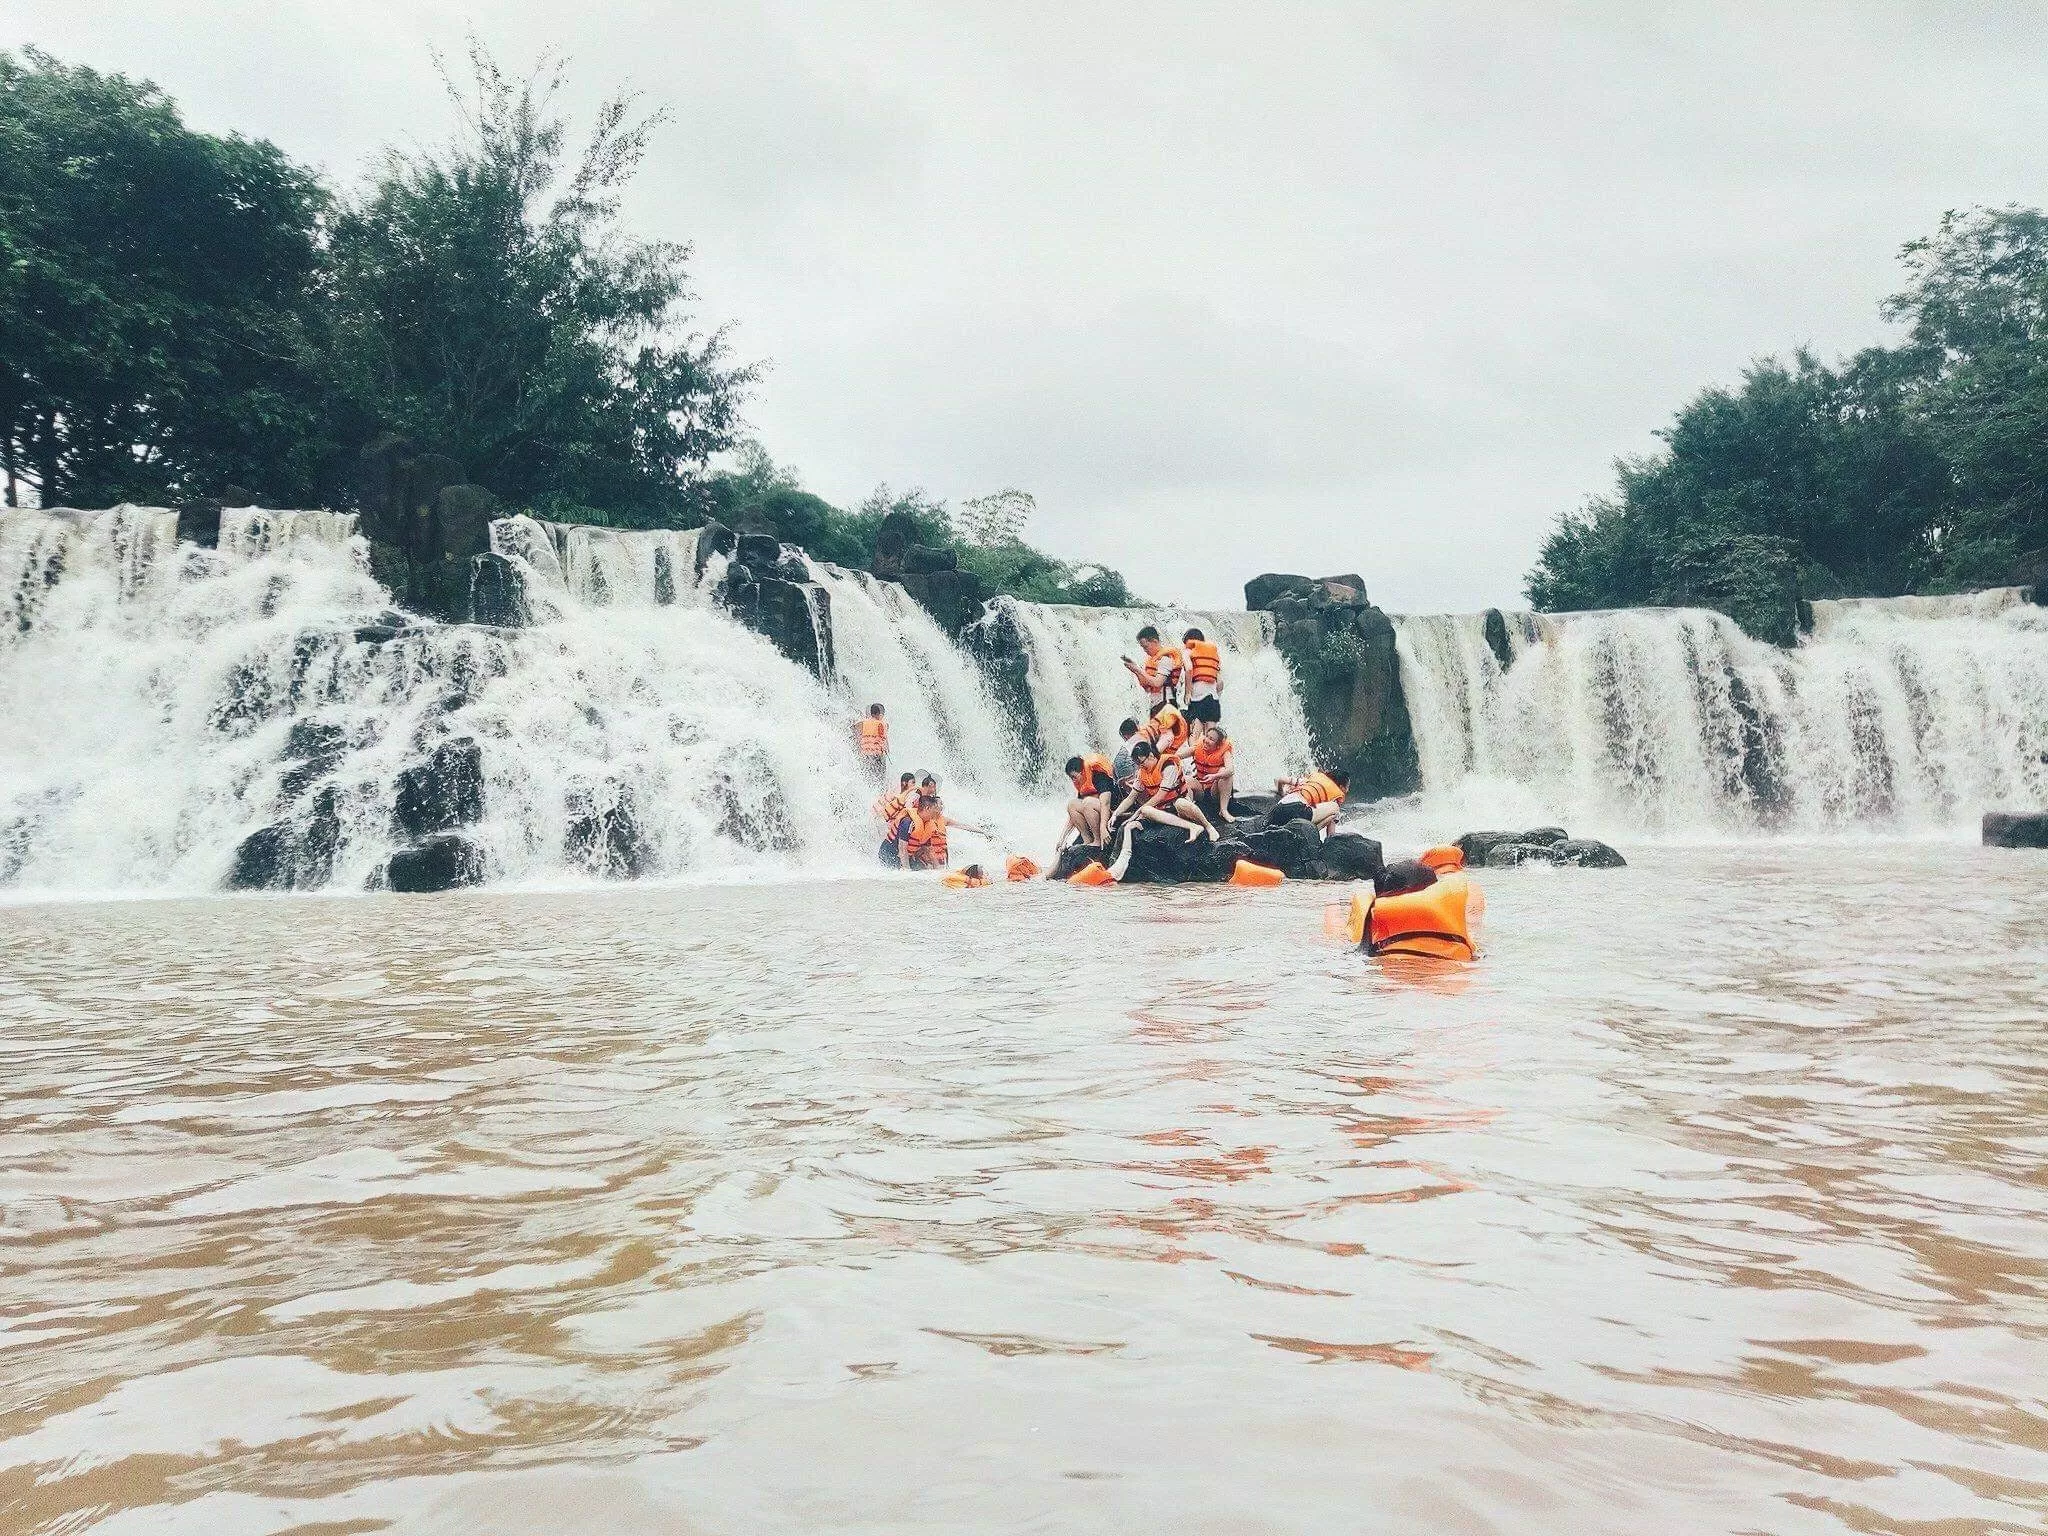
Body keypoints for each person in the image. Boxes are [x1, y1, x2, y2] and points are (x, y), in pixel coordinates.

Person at [1108, 741, 1217, 845]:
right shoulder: (1142, 772)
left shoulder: (1168, 766)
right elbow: (1131, 797)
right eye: (1138, 764)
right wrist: (1116, 814)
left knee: (1180, 803)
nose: (1141, 767)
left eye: (1142, 762)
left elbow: (1161, 796)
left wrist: (1136, 813)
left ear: (1150, 755)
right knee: (1146, 810)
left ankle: (1209, 827)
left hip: (1179, 804)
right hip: (1163, 811)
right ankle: (1193, 827)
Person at [905, 792, 989, 871]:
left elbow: (963, 826)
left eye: (942, 804)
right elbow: (918, 843)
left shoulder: (944, 820)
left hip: (940, 860)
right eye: (940, 804)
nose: (942, 806)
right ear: (933, 806)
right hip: (926, 862)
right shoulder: (923, 821)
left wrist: (983, 832)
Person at [1059, 752, 1117, 854]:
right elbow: (1073, 816)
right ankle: (1087, 840)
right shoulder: (1083, 782)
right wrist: (1062, 838)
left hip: (1113, 812)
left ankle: (1097, 841)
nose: (1073, 780)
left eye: (1074, 777)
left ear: (1081, 772)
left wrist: (1103, 828)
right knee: (1072, 804)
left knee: (1088, 802)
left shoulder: (1098, 775)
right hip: (1096, 811)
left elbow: (1106, 803)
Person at [1181, 723, 1237, 823]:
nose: (1206, 740)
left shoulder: (1225, 751)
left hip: (1214, 791)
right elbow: (1179, 755)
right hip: (1201, 789)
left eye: (1211, 739)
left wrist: (1215, 776)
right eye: (1207, 736)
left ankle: (1223, 810)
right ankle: (1189, 810)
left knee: (1224, 772)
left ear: (1218, 745)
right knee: (1186, 780)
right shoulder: (1199, 746)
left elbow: (1231, 770)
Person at [1121, 625, 1183, 710]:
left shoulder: (1165, 659)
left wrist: (1138, 669)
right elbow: (1147, 687)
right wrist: (1135, 671)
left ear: (1154, 641)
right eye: (1143, 648)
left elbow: (1157, 683)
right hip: (1156, 705)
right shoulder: (1153, 660)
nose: (1145, 650)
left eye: (1146, 647)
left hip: (1167, 705)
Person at [1271, 766, 1349, 832]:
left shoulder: (1310, 780)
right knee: (1335, 808)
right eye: (1347, 787)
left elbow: (1278, 779)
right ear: (1341, 787)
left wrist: (1282, 793)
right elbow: (1333, 819)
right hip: (1296, 812)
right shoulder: (1335, 795)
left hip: (1277, 811)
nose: (1347, 790)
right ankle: (1311, 832)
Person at [1181, 628, 1223, 725]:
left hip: (1198, 695)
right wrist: (1216, 697)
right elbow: (1220, 683)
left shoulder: (1187, 652)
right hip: (1213, 698)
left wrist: (1187, 693)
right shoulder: (1211, 655)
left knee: (1194, 733)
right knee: (1209, 734)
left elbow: (1189, 669)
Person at [875, 772, 917, 866]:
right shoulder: (896, 797)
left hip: (898, 832)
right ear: (904, 783)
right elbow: (883, 814)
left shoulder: (909, 798)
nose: (915, 786)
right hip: (890, 832)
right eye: (912, 783)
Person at [854, 703, 889, 786]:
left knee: (867, 776)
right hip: (877, 755)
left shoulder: (862, 723)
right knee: (880, 778)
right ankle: (880, 794)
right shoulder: (884, 724)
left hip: (865, 755)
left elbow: (854, 728)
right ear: (879, 714)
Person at [1111, 719, 1141, 794]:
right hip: (1140, 793)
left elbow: (1115, 776)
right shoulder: (1138, 747)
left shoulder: (1119, 756)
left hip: (1126, 794)